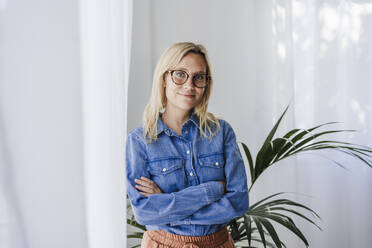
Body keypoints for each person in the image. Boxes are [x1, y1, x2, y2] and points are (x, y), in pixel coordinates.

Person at [126, 42, 249, 248]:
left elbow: (238, 202)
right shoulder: (140, 140)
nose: (190, 85)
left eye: (198, 77)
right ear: (164, 78)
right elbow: (144, 211)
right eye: (180, 74)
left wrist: (166, 203)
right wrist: (211, 191)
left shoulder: (221, 132)